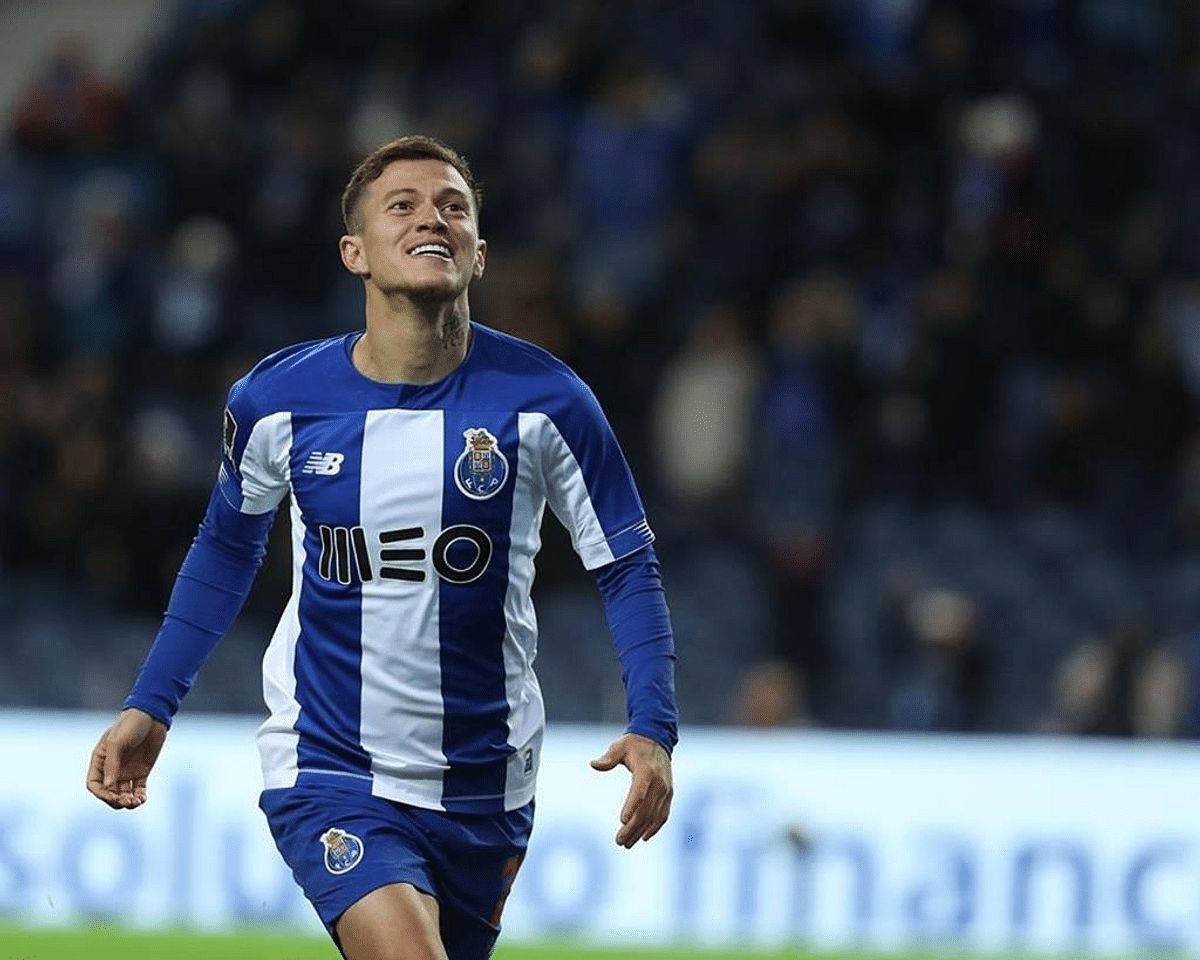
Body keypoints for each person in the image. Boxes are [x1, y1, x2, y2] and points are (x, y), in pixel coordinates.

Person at [85, 135, 678, 960]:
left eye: (454, 207)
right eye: (403, 205)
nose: (433, 218)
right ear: (354, 252)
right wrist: (153, 703)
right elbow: (225, 550)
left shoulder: (549, 403)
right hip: (330, 765)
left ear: (478, 253)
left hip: (489, 783)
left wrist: (654, 725)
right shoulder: (277, 401)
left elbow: (626, 564)